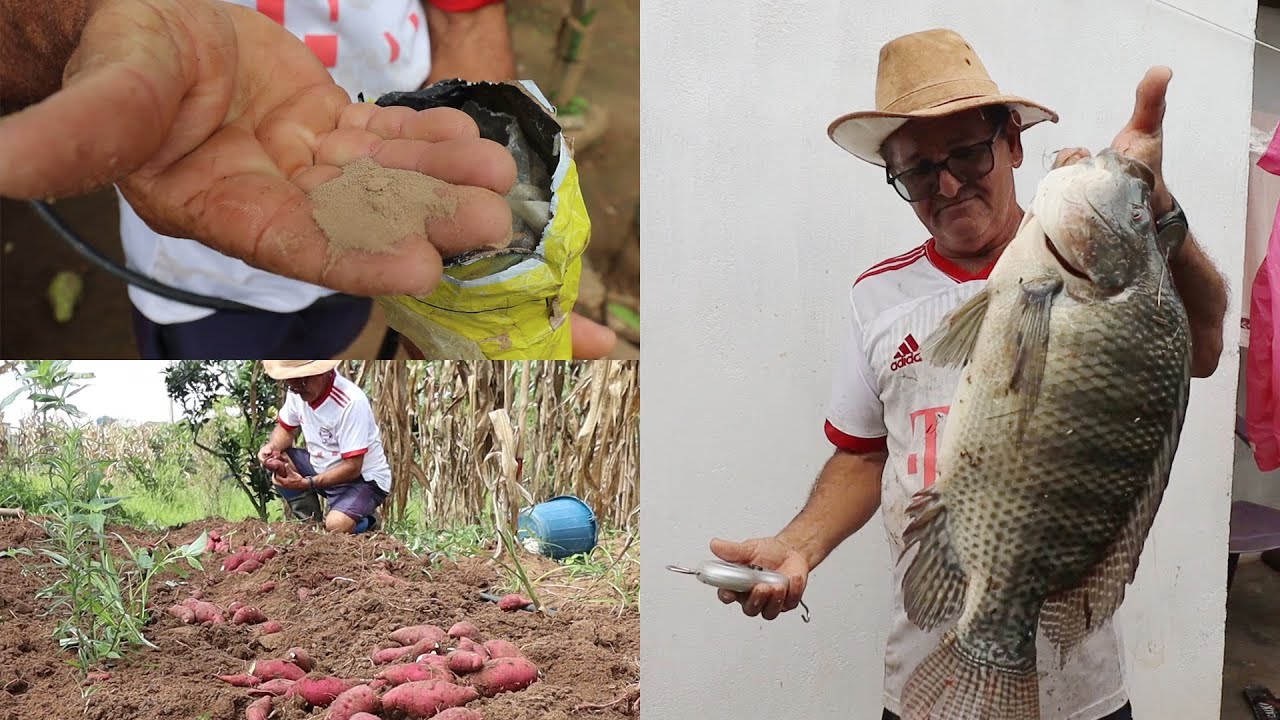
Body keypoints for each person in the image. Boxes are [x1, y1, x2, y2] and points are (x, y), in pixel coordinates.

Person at [709, 29, 1229, 720]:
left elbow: (1204, 340)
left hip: (1084, 690)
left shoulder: (1120, 282)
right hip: (929, 671)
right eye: (918, 171)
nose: (948, 184)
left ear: (1013, 143)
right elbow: (862, 456)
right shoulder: (877, 298)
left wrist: (1155, 208)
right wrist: (799, 545)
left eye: (967, 153)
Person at [0, 0, 617, 359]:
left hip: (392, 153)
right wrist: (75, 26)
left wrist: (473, 298)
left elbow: (466, 14)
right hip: (205, 242)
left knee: (348, 323)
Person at [258, 359, 391, 534]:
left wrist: (307, 483)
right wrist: (272, 447)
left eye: (301, 382)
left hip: (363, 480)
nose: (297, 389)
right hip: (321, 467)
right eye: (291, 385)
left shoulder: (350, 402)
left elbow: (353, 467)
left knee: (336, 526)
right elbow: (285, 428)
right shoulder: (298, 394)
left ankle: (369, 522)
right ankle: (311, 526)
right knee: (280, 462)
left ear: (322, 372)